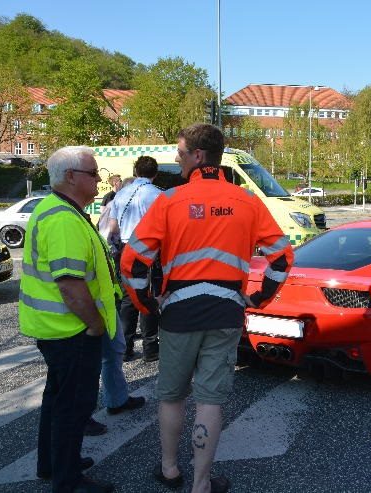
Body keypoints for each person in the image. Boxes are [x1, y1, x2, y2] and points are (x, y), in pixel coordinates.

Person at [121, 124, 294, 493]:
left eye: (181, 154)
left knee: (171, 396)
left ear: (198, 156)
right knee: (210, 401)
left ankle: (169, 469)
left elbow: (133, 262)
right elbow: (281, 257)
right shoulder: (247, 200)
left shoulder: (169, 201)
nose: (177, 160)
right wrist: (260, 299)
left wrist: (146, 304)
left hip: (179, 315)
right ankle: (201, 484)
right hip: (226, 313)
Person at [19, 146, 119, 493]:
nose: (98, 179)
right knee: (73, 407)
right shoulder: (63, 218)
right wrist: (94, 324)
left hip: (57, 329)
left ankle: (54, 464)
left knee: (57, 400)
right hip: (72, 329)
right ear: (72, 177)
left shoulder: (57, 210)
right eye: (94, 173)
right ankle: (68, 481)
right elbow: (71, 285)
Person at [108, 156, 162, 362]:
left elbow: (112, 228)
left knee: (128, 298)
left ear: (136, 171)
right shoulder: (158, 195)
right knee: (147, 296)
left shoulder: (120, 195)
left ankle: (126, 347)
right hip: (147, 251)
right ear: (155, 174)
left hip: (124, 247)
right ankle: (150, 348)